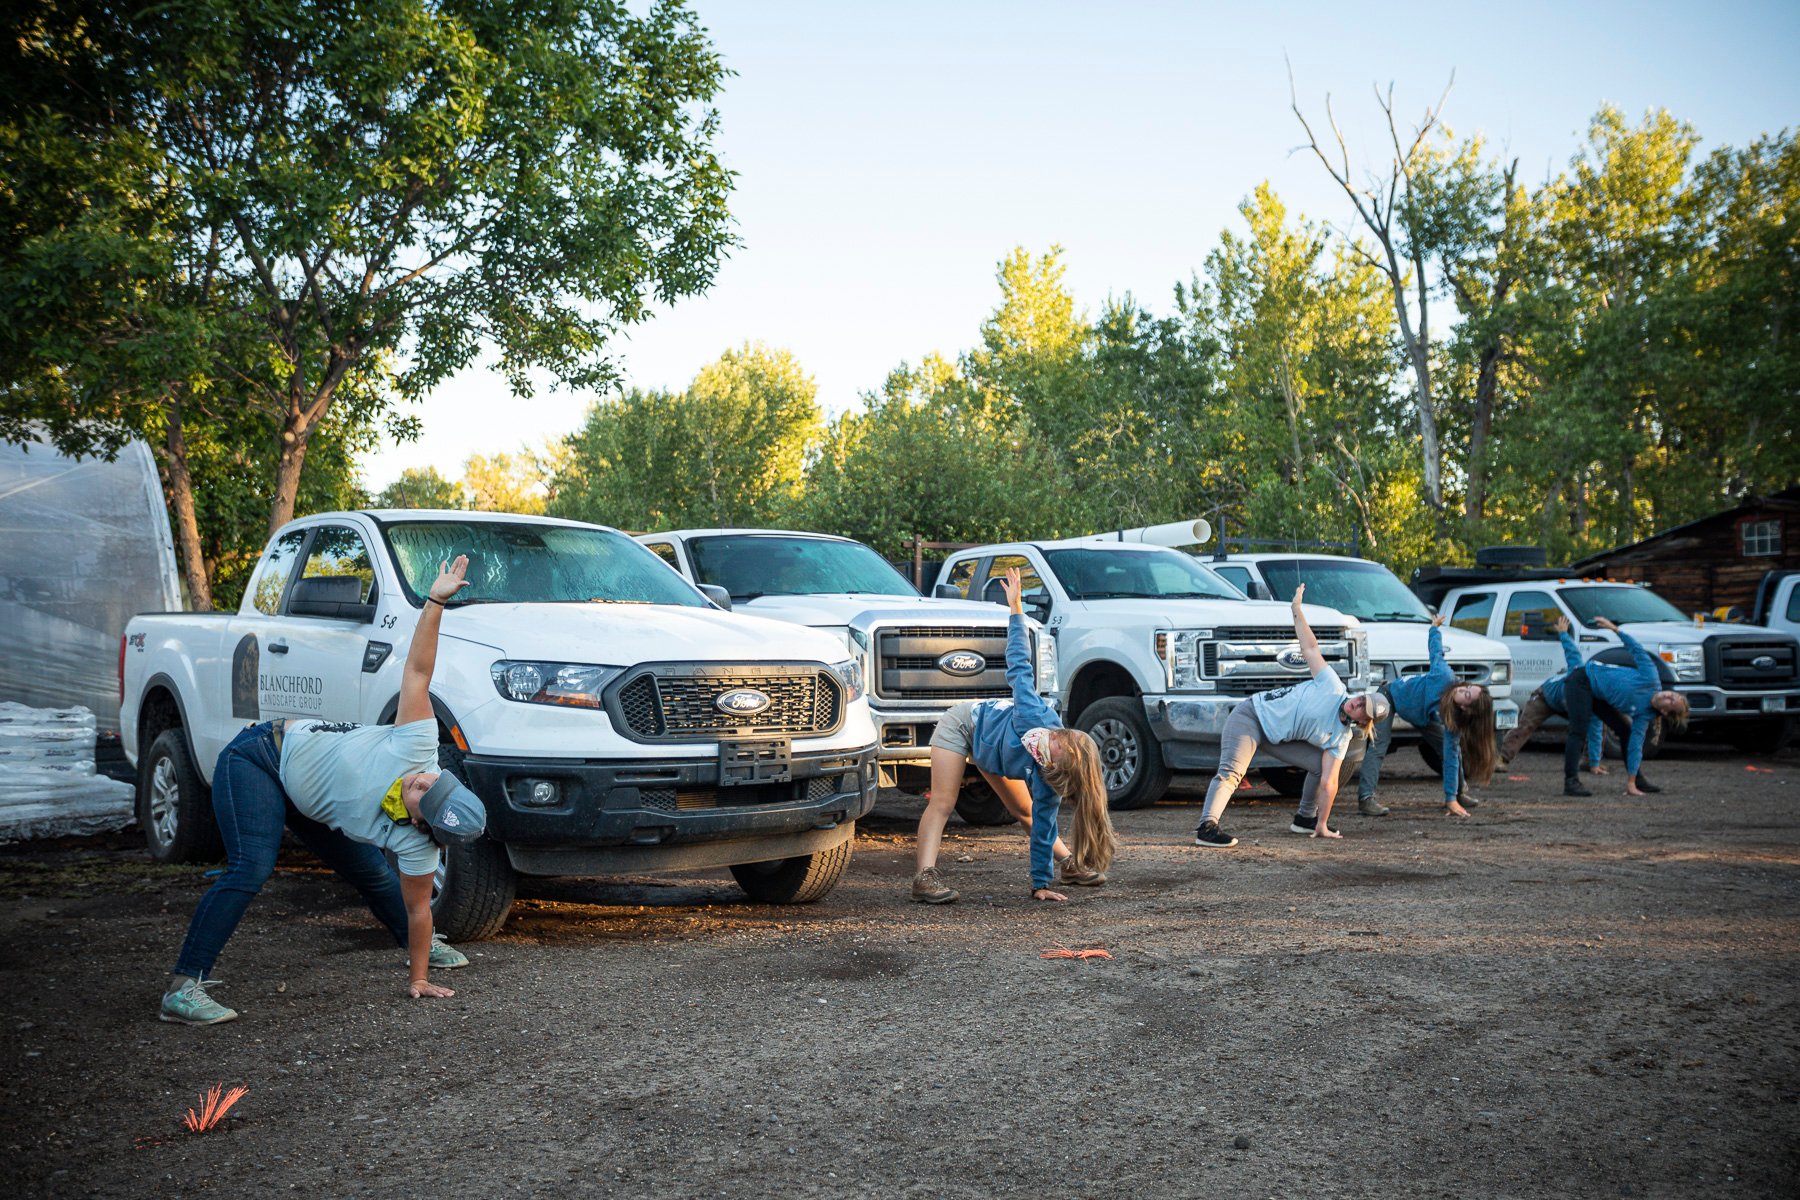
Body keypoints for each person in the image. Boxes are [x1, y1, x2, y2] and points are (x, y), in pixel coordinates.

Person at [159, 556, 489, 1025]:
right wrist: (434, 601)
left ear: (423, 825)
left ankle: (422, 953)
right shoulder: (416, 746)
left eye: (426, 796)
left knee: (374, 873)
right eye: (436, 782)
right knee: (251, 868)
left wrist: (417, 978)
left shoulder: (417, 849)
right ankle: (183, 987)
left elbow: (419, 907)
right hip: (261, 758)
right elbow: (418, 671)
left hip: (309, 799)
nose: (424, 780)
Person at [911, 568, 1115, 904]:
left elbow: (1044, 826)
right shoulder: (1033, 714)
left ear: (1056, 769)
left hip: (994, 752)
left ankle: (1066, 864)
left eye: (1051, 752)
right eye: (1055, 738)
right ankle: (924, 878)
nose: (1045, 743)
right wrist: (1016, 608)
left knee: (1029, 813)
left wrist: (1039, 885)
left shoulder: (1049, 780)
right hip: (965, 724)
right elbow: (1020, 662)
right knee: (944, 801)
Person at [1194, 584, 1388, 847]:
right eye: (1360, 699)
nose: (1355, 704)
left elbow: (1330, 783)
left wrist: (1322, 824)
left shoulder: (1340, 738)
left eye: (1361, 709)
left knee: (1323, 768)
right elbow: (1310, 648)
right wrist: (1296, 610)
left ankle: (1305, 818)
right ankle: (1207, 827)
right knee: (1232, 773)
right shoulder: (1332, 685)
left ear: (1363, 722)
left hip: (1276, 737)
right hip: (1251, 717)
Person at [1353, 613, 1497, 819]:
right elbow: (1436, 652)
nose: (1460, 689)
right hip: (1391, 696)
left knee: (1451, 751)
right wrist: (1434, 628)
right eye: (1466, 687)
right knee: (1379, 744)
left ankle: (1458, 793)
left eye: (1466, 694)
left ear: (1466, 709)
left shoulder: (1455, 719)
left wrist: (1450, 800)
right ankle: (1366, 799)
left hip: (1422, 715)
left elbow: (1449, 757)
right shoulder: (1444, 677)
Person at [1564, 616, 1688, 797]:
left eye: (1671, 701)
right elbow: (1636, 649)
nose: (1669, 695)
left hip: (1597, 694)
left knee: (1625, 731)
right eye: (1673, 695)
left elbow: (1636, 747)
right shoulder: (1651, 677)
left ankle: (1637, 780)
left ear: (1664, 711)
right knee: (1579, 730)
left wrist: (1630, 784)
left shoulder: (1645, 715)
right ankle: (1570, 782)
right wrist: (1614, 629)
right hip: (1582, 681)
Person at [1499, 615, 1622, 780]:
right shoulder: (1578, 671)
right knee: (1526, 724)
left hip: (1571, 704)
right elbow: (1571, 651)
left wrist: (1594, 764)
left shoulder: (1595, 696)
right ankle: (1501, 758)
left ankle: (1590, 762)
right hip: (1546, 696)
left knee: (1599, 724)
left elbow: (1595, 730)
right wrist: (1563, 633)